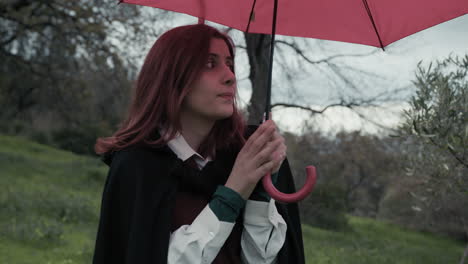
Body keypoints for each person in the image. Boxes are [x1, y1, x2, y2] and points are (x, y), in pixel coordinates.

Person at [92, 24, 305, 264]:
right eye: (209, 64)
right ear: (172, 76)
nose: (230, 77)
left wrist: (260, 193)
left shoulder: (244, 153)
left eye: (229, 64)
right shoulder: (138, 165)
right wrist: (233, 193)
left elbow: (262, 259)